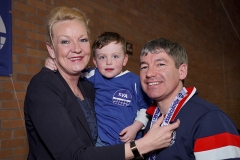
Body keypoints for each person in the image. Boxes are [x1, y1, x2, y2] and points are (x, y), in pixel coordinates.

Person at [24, 6, 180, 160]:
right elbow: (73, 156)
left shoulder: (87, 85)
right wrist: (144, 145)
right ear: (51, 50)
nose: (76, 48)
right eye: (65, 41)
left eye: (83, 40)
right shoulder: (44, 87)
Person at [139, 37, 240, 160]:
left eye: (160, 64)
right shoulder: (151, 120)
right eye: (144, 66)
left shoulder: (209, 119)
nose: (149, 73)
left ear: (182, 71)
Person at [46, 32, 151, 146]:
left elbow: (145, 108)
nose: (109, 62)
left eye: (115, 56)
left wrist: (135, 128)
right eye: (102, 57)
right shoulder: (94, 75)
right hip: (101, 142)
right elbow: (69, 72)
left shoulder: (135, 81)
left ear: (125, 59)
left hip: (130, 140)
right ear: (95, 62)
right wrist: (53, 64)